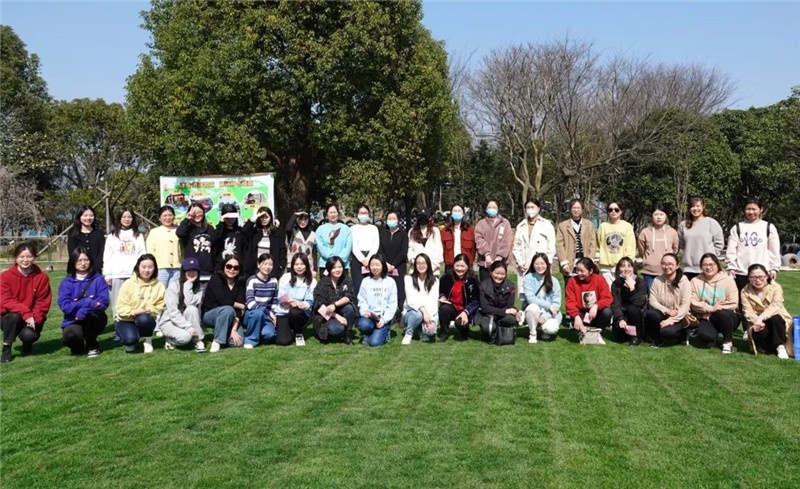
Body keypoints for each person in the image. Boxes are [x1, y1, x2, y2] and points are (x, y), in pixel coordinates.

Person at [0, 243, 52, 363]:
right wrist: (25, 312)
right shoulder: (5, 277)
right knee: (13, 317)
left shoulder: (42, 278)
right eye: (21, 257)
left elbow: (43, 302)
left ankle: (27, 342)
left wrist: (35, 318)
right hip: (10, 317)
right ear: (16, 258)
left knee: (29, 335)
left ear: (34, 257)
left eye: (29, 256)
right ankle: (6, 347)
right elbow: (5, 300)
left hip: (32, 317)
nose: (25, 260)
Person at [58, 248, 110, 357]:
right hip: (73, 319)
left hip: (94, 317)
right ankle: (78, 344)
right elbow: (65, 306)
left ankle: (92, 346)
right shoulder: (66, 282)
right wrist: (87, 302)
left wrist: (83, 310)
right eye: (79, 260)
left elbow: (103, 302)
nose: (83, 263)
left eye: (86, 260)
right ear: (73, 262)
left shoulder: (98, 279)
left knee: (88, 318)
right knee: (71, 337)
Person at [726, 197, 781, 291]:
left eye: (754, 209)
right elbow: (731, 250)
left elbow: (774, 250)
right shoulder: (737, 227)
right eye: (748, 209)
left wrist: (774, 268)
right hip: (741, 273)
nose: (751, 212)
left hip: (762, 274)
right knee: (742, 299)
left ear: (761, 209)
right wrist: (731, 267)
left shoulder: (768, 227)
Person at [115, 254, 165, 354]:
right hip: (126, 319)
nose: (146, 270)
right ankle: (131, 337)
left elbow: (161, 306)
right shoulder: (128, 284)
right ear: (138, 267)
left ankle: (147, 340)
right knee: (130, 341)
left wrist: (150, 309)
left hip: (146, 318)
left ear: (154, 268)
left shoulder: (159, 285)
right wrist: (134, 312)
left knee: (144, 318)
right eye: (143, 267)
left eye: (150, 267)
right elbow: (120, 307)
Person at [740, 264, 793, 360]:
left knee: (775, 319)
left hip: (776, 319)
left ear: (767, 276)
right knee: (762, 348)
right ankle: (769, 346)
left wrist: (761, 318)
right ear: (748, 278)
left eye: (760, 277)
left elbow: (776, 306)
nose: (757, 280)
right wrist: (757, 321)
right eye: (753, 277)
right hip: (757, 323)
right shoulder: (744, 291)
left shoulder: (776, 287)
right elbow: (747, 311)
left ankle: (780, 346)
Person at [690, 253, 739, 354]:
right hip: (705, 316)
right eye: (705, 265)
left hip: (727, 316)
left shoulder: (728, 280)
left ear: (717, 265)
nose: (708, 267)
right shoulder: (695, 281)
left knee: (721, 314)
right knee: (705, 337)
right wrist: (710, 309)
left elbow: (733, 302)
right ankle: (712, 336)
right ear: (701, 266)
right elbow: (692, 302)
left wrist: (714, 311)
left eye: (711, 264)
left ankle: (728, 342)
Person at [103, 207, 146, 320]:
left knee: (135, 301)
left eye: (129, 217)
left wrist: (141, 272)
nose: (127, 219)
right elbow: (107, 256)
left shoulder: (138, 235)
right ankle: (118, 326)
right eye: (124, 217)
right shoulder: (112, 236)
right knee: (117, 302)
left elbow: (142, 255)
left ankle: (134, 325)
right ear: (119, 218)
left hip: (134, 275)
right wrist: (107, 275)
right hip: (116, 274)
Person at [158, 257, 206, 352]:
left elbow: (190, 303)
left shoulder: (200, 288)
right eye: (188, 270)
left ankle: (198, 340)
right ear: (183, 272)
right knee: (185, 337)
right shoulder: (174, 286)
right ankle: (171, 340)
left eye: (194, 270)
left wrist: (188, 285)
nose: (191, 273)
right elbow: (173, 312)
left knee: (192, 309)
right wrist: (188, 327)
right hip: (169, 321)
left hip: (185, 320)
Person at [645, 253, 692, 347]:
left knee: (667, 333)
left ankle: (683, 335)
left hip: (679, 316)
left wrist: (671, 320)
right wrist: (667, 311)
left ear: (677, 265)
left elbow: (685, 305)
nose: (666, 267)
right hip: (664, 313)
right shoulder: (657, 280)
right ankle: (657, 340)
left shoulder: (684, 282)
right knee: (651, 314)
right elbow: (652, 301)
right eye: (664, 263)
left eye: (670, 264)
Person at [202, 255, 246, 352]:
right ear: (224, 266)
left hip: (231, 316)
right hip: (210, 314)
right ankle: (217, 341)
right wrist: (241, 305)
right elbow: (223, 301)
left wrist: (234, 329)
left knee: (237, 343)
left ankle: (224, 333)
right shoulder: (216, 278)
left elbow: (239, 311)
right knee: (227, 309)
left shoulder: (240, 283)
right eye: (229, 266)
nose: (232, 269)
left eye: (236, 267)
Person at [312, 256, 357, 345]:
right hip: (325, 315)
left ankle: (348, 334)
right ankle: (323, 331)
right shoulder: (323, 283)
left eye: (340, 267)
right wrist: (336, 316)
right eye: (334, 268)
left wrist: (334, 305)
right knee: (337, 329)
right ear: (329, 269)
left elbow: (349, 296)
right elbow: (319, 306)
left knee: (349, 308)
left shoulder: (346, 279)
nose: (337, 270)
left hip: (339, 309)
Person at [677, 196, 724, 280]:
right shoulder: (683, 225)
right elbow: (681, 244)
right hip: (689, 268)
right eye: (693, 206)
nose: (695, 209)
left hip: (708, 268)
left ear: (703, 207)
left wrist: (712, 257)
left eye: (698, 206)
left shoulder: (711, 223)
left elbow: (719, 243)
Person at [274, 254, 316, 346]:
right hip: (284, 311)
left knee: (295, 312)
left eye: (302, 264)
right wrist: (292, 302)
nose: (299, 267)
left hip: (299, 312)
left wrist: (303, 305)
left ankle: (298, 333)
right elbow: (281, 296)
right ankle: (289, 330)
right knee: (283, 341)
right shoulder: (286, 277)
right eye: (296, 264)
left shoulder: (312, 281)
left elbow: (310, 300)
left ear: (306, 265)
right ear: (292, 266)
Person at [565, 257, 613, 337]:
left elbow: (607, 298)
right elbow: (570, 302)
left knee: (607, 312)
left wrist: (596, 306)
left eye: (582, 271)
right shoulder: (572, 281)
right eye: (577, 270)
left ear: (591, 271)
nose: (579, 273)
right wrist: (576, 316)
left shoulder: (599, 279)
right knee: (575, 316)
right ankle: (580, 327)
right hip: (581, 314)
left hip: (596, 314)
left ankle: (599, 330)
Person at [357, 254, 398, 347]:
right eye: (372, 265)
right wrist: (364, 311)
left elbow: (392, 304)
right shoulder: (365, 281)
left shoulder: (390, 282)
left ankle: (385, 332)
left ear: (383, 265)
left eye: (377, 265)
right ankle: (368, 333)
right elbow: (362, 299)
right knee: (363, 324)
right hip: (370, 317)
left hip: (383, 317)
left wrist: (384, 320)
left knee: (374, 343)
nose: (375, 268)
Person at [556, 199, 598, 289]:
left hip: (584, 260)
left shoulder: (589, 225)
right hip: (569, 263)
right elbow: (559, 245)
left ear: (582, 209)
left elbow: (593, 244)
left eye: (578, 208)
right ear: (570, 209)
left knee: (586, 290)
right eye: (574, 208)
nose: (576, 210)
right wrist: (564, 262)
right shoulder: (562, 226)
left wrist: (589, 261)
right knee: (570, 289)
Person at [637, 204, 679, 292]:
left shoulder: (672, 232)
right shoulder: (645, 232)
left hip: (668, 271)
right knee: (652, 296)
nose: (659, 217)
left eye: (661, 214)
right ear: (652, 216)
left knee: (668, 296)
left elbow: (675, 249)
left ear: (666, 216)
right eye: (656, 214)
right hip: (649, 272)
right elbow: (641, 250)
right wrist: (648, 259)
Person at [438, 253, 480, 342]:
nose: (459, 269)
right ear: (453, 265)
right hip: (452, 306)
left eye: (462, 266)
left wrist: (466, 311)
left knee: (460, 324)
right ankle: (444, 333)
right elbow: (440, 291)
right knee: (444, 309)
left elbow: (476, 301)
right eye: (457, 266)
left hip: (466, 309)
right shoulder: (447, 277)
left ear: (468, 266)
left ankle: (465, 331)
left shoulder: (473, 280)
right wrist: (442, 297)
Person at [475, 260, 519, 343]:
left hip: (503, 316)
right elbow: (484, 308)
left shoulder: (511, 286)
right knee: (488, 328)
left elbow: (509, 306)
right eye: (497, 273)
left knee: (511, 319)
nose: (499, 276)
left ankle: (499, 329)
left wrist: (505, 312)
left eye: (502, 274)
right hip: (487, 315)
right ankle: (490, 331)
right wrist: (504, 311)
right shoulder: (483, 286)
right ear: (491, 272)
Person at [523, 253, 562, 344]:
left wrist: (545, 316)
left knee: (551, 328)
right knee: (533, 307)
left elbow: (556, 304)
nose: (539, 266)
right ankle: (533, 333)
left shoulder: (554, 281)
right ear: (533, 265)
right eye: (536, 264)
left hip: (550, 313)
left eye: (542, 263)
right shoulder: (528, 278)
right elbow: (530, 298)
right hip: (535, 310)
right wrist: (548, 306)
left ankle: (545, 330)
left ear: (547, 264)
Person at [401, 253, 440, 345]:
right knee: (417, 314)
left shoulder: (435, 281)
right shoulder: (408, 279)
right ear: (415, 265)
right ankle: (409, 333)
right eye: (418, 263)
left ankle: (422, 331)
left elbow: (433, 301)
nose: (421, 265)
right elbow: (411, 300)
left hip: (429, 313)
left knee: (431, 331)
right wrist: (424, 312)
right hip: (412, 312)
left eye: (424, 263)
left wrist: (429, 318)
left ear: (428, 264)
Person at [513, 199, 556, 279]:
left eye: (532, 207)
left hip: (541, 264)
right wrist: (520, 262)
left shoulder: (547, 224)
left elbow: (551, 246)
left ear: (538, 208)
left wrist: (547, 262)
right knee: (525, 285)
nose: (530, 209)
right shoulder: (521, 226)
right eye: (528, 207)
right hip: (525, 265)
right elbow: (516, 247)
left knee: (542, 285)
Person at [242, 253, 279, 349]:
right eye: (265, 264)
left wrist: (273, 313)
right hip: (252, 313)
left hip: (266, 315)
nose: (268, 267)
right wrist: (268, 312)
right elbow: (250, 303)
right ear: (258, 265)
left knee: (270, 335)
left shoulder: (274, 281)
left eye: (270, 264)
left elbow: (274, 301)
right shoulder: (252, 280)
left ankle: (258, 332)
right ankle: (250, 340)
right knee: (258, 313)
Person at [610, 257, 647, 346]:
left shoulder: (641, 283)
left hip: (636, 317)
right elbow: (615, 304)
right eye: (623, 266)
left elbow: (639, 303)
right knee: (620, 338)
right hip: (623, 316)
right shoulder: (615, 284)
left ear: (633, 268)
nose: (626, 269)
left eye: (629, 266)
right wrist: (620, 318)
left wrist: (632, 289)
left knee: (632, 308)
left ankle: (636, 336)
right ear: (618, 269)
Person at [597, 201, 636, 286]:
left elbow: (631, 247)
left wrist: (627, 265)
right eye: (610, 210)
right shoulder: (603, 226)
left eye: (616, 209)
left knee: (622, 291)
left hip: (622, 267)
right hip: (606, 268)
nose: (613, 211)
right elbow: (598, 244)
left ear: (621, 211)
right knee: (608, 292)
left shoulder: (627, 226)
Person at [241, 206, 286, 279]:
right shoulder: (254, 232)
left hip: (271, 270)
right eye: (262, 217)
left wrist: (281, 267)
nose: (264, 219)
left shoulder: (277, 233)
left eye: (266, 217)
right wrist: (253, 218)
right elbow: (243, 232)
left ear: (271, 217)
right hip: (254, 270)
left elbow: (282, 250)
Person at [378, 210, 408, 317]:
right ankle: (387, 314)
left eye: (394, 218)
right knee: (386, 290)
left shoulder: (403, 234)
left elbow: (403, 251)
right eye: (389, 219)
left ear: (398, 220)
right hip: (385, 266)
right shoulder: (382, 234)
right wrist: (385, 264)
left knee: (400, 291)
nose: (391, 220)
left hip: (399, 267)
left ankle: (402, 315)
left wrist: (393, 265)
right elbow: (380, 250)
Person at [474, 200, 513, 282]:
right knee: (484, 286)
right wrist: (486, 254)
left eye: (494, 207)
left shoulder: (505, 223)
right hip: (485, 263)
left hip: (500, 263)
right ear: (486, 209)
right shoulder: (481, 223)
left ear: (498, 209)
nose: (492, 209)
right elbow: (478, 239)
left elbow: (507, 241)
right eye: (489, 207)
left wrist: (499, 257)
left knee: (499, 286)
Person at [146, 205, 183, 288]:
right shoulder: (154, 232)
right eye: (165, 215)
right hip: (160, 269)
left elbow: (183, 249)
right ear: (159, 218)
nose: (168, 218)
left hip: (177, 268)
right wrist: (152, 266)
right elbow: (150, 251)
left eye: (170, 215)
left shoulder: (179, 230)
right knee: (160, 291)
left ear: (174, 217)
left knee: (174, 292)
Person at [177, 203, 215, 280]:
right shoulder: (187, 229)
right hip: (192, 268)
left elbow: (215, 247)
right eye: (194, 213)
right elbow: (179, 233)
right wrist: (187, 218)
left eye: (199, 212)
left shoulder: (209, 228)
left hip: (208, 268)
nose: (197, 215)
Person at [350, 204, 381, 293]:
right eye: (361, 213)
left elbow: (375, 244)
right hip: (357, 259)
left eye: (365, 213)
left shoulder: (374, 228)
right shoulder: (353, 228)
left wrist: (369, 258)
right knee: (358, 286)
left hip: (371, 258)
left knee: (372, 285)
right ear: (357, 214)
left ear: (368, 214)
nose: (363, 215)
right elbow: (353, 246)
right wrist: (362, 259)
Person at [67, 205, 106, 273]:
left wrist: (96, 267)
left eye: (91, 215)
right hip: (78, 271)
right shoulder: (72, 233)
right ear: (79, 217)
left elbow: (101, 252)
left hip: (95, 271)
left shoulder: (99, 233)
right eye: (85, 215)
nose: (88, 218)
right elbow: (72, 253)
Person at [407, 208, 444, 276]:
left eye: (425, 217)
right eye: (420, 217)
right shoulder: (412, 231)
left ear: (429, 218)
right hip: (416, 271)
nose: (422, 219)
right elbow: (410, 249)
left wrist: (429, 267)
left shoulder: (435, 231)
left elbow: (439, 251)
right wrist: (414, 261)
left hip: (433, 271)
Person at [440, 205, 476, 275]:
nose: (457, 213)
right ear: (451, 214)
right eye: (455, 211)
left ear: (463, 214)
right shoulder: (445, 231)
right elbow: (443, 249)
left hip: (466, 265)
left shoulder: (470, 230)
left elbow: (473, 249)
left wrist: (470, 261)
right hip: (450, 266)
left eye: (459, 211)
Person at [316, 204, 352, 271]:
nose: (333, 215)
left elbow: (348, 246)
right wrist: (332, 259)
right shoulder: (320, 229)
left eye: (334, 212)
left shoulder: (346, 229)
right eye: (330, 212)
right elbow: (321, 247)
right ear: (327, 214)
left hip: (342, 265)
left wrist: (339, 260)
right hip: (326, 264)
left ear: (338, 213)